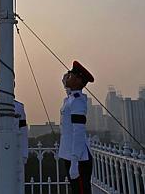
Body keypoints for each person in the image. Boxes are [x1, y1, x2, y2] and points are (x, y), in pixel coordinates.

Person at [59, 61, 94, 194]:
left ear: (79, 80)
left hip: (78, 157)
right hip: (70, 153)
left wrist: (75, 161)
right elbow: (69, 93)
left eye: (71, 75)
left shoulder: (77, 101)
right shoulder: (71, 98)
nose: (67, 77)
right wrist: (66, 83)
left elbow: (78, 132)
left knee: (81, 191)